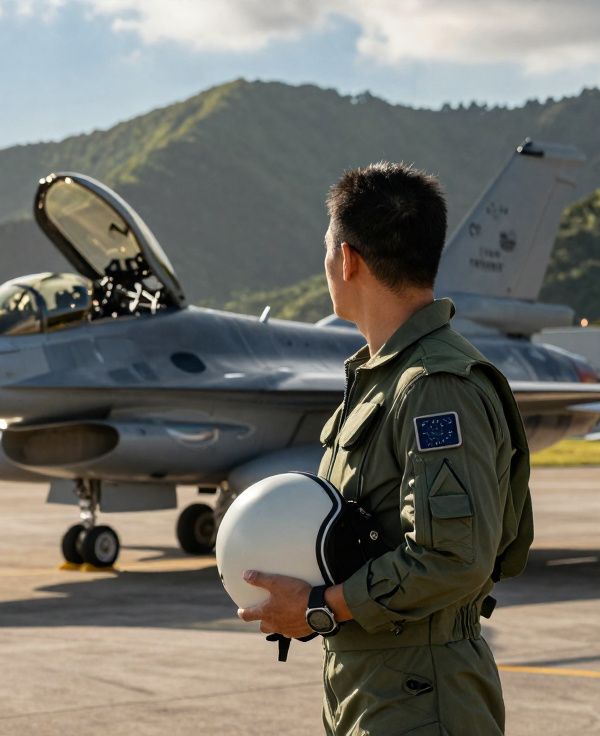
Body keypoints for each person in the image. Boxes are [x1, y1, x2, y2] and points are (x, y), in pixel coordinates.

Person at [238, 162, 533, 735]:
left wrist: (320, 605)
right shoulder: (383, 379)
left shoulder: (433, 387)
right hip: (376, 687)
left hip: (421, 697)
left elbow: (453, 559)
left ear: (347, 259)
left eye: (327, 252)